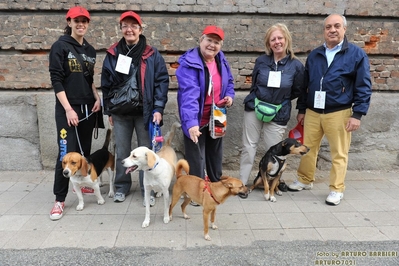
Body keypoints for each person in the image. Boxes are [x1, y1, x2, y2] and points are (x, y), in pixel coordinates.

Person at [287, 14, 372, 206]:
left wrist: (357, 114)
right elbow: (305, 84)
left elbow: (363, 85)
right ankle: (305, 179)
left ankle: (336, 189)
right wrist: (301, 109)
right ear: (324, 31)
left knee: (339, 153)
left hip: (339, 112)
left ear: (344, 29)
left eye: (336, 26)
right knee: (307, 148)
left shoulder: (356, 54)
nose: (332, 30)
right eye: (328, 27)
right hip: (313, 112)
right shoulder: (315, 54)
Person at [101, 11, 169, 205]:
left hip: (145, 113)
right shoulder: (113, 53)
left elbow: (161, 82)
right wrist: (109, 111)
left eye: (133, 26)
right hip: (120, 113)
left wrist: (158, 108)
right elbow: (106, 85)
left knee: (147, 153)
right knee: (122, 151)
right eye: (125, 26)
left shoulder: (152, 54)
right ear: (121, 29)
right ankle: (121, 187)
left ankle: (149, 190)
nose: (129, 29)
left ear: (140, 29)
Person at [239, 23, 305, 195]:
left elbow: (298, 90)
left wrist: (281, 101)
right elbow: (254, 83)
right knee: (249, 146)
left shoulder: (296, 66)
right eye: (273, 39)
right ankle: (242, 183)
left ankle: (272, 181)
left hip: (279, 111)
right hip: (255, 107)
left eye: (280, 38)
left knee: (275, 150)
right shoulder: (261, 61)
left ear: (286, 40)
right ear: (269, 43)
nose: (277, 42)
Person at [48, 6, 101, 220]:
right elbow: (56, 80)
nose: (81, 24)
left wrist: (97, 97)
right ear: (68, 22)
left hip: (88, 108)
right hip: (67, 110)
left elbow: (88, 80)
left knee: (82, 152)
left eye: (84, 21)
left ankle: (80, 184)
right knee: (66, 154)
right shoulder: (59, 46)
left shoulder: (90, 50)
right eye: (76, 20)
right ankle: (59, 200)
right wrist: (68, 109)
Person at [176, 25, 235, 188]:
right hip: (197, 117)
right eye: (209, 40)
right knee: (196, 157)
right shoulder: (189, 63)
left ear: (221, 45)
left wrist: (229, 96)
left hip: (217, 115)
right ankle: (197, 190)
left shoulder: (221, 59)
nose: (212, 45)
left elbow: (229, 81)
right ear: (201, 40)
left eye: (216, 42)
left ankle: (215, 185)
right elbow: (189, 96)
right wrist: (191, 124)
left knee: (215, 154)